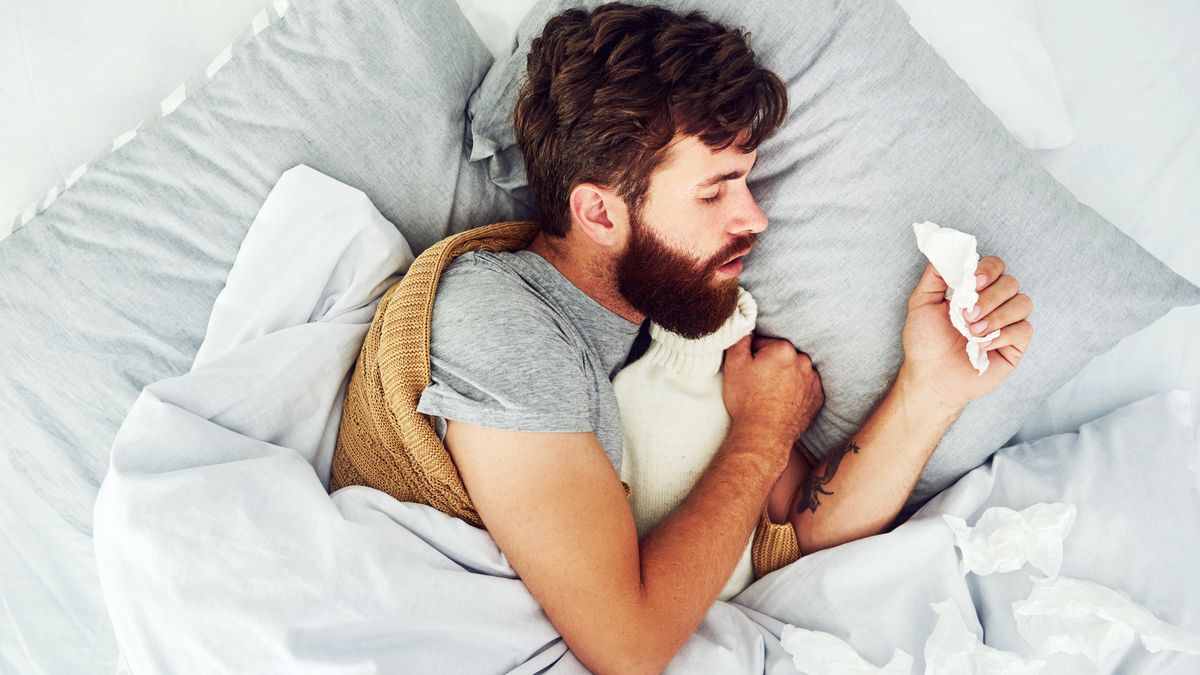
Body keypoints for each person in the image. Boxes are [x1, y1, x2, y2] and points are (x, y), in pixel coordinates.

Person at [414, 3, 1034, 673]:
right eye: (715, 192)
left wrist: (932, 387)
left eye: (747, 179)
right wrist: (762, 431)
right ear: (598, 211)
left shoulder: (691, 320)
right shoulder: (498, 314)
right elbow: (628, 643)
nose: (755, 217)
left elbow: (801, 525)